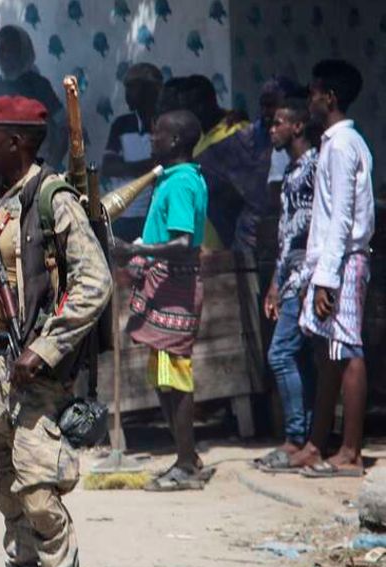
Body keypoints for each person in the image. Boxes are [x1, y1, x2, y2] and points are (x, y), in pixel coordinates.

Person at [0, 97, 111, 567]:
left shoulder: (53, 200)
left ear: (17, 143)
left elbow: (95, 284)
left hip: (38, 372)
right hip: (0, 368)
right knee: (7, 483)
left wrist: (46, 348)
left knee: (40, 488)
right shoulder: (2, 200)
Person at [111, 110, 208, 491]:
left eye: (158, 134)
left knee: (177, 378)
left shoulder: (182, 183)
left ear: (175, 142)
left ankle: (186, 465)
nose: (151, 139)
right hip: (164, 284)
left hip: (175, 288)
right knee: (164, 378)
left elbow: (184, 243)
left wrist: (138, 248)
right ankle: (187, 456)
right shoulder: (172, 178)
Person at [287, 60, 374, 478]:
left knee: (348, 351)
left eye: (313, 93)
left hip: (343, 264)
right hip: (329, 263)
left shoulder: (342, 146)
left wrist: (326, 277)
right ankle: (317, 444)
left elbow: (341, 216)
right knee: (327, 354)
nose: (310, 100)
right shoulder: (336, 144)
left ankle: (351, 452)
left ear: (330, 98)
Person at [252, 97, 318, 472]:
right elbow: (288, 234)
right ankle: (302, 434)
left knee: (281, 354)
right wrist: (276, 282)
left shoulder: (312, 168)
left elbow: (311, 232)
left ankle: (297, 437)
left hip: (305, 277)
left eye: (278, 122)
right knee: (295, 357)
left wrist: (302, 281)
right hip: (289, 277)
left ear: (297, 126)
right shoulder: (293, 171)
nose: (272, 129)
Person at [172, 75, 274, 253]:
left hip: (232, 244)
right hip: (204, 245)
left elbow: (250, 192)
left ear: (209, 102)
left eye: (193, 106)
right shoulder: (196, 137)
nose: (189, 115)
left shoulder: (235, 131)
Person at [0, 25, 67, 169]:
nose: (4, 55)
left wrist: (51, 164)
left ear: (23, 51)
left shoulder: (38, 85)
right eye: (0, 49)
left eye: (10, 49)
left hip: (37, 167)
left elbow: (64, 126)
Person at [101, 62, 163, 240]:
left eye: (133, 88)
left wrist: (129, 168)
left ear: (151, 90)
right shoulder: (122, 125)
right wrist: (152, 168)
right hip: (123, 214)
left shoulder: (168, 124)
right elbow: (109, 167)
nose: (127, 95)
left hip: (153, 216)